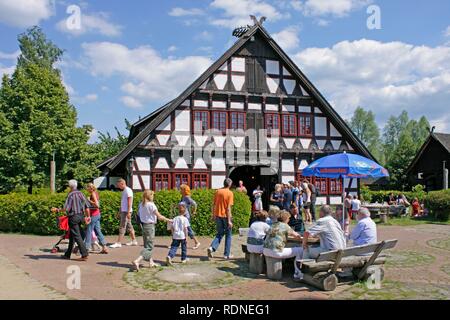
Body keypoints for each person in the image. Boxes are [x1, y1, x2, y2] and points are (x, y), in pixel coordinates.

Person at [132, 190, 172, 271]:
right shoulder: (151, 205)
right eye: (153, 195)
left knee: (146, 245)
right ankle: (137, 261)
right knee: (149, 247)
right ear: (150, 196)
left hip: (143, 226)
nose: (153, 196)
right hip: (150, 226)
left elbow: (139, 215)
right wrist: (169, 220)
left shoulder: (141, 204)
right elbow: (159, 216)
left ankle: (151, 262)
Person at [52, 180, 90, 261]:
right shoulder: (81, 193)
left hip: (73, 217)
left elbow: (67, 208)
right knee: (72, 235)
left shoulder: (71, 195)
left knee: (77, 236)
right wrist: (88, 216)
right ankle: (67, 254)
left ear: (70, 187)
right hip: (81, 216)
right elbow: (87, 206)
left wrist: (57, 210)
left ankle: (84, 254)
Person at [263, 210, 304, 280]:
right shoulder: (285, 226)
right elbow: (297, 236)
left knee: (289, 248)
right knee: (300, 250)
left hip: (265, 250)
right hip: (275, 252)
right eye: (288, 219)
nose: (289, 220)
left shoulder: (273, 224)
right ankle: (297, 273)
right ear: (286, 219)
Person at [207, 178, 234, 260]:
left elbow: (213, 204)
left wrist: (213, 215)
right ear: (229, 184)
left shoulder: (218, 191)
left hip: (218, 215)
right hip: (226, 216)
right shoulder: (230, 193)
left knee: (219, 233)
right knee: (228, 235)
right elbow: (228, 208)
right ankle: (226, 254)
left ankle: (212, 248)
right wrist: (229, 220)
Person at [110, 178, 137, 248]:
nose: (118, 187)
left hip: (126, 212)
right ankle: (134, 241)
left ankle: (118, 243)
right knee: (129, 226)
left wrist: (128, 212)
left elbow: (129, 202)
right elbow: (123, 203)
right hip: (124, 211)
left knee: (122, 226)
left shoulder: (128, 190)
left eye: (119, 185)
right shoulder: (125, 191)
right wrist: (119, 212)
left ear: (122, 183)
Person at [84, 183, 108, 254]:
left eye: (87, 188)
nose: (86, 189)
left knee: (89, 230)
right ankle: (104, 247)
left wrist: (89, 200)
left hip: (93, 215)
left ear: (90, 188)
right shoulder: (96, 193)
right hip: (97, 214)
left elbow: (97, 205)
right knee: (98, 231)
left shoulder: (93, 194)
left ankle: (86, 247)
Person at [180, 184, 201, 250]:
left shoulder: (187, 197)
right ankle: (183, 243)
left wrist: (194, 211)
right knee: (183, 229)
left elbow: (195, 204)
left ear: (184, 190)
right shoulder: (183, 197)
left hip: (186, 216)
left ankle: (197, 242)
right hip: (183, 215)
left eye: (181, 189)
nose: (180, 190)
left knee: (188, 230)